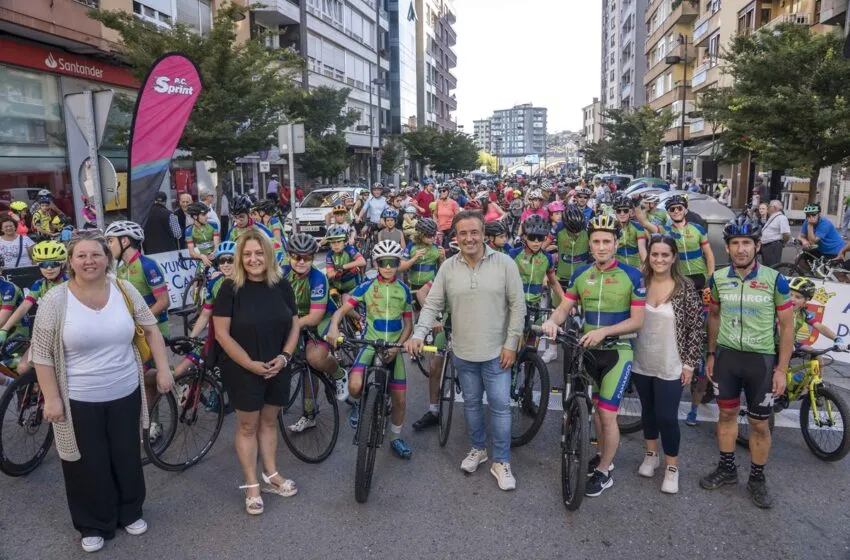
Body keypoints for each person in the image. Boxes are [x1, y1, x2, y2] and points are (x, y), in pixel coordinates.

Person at [30, 232, 173, 553]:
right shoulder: (56, 299)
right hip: (78, 399)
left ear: (107, 258)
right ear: (71, 261)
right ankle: (93, 523)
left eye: (95, 254)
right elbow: (41, 354)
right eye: (81, 256)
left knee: (126, 455)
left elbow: (151, 328)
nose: (89, 261)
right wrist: (52, 398)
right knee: (85, 463)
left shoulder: (124, 289)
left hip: (125, 391)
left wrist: (163, 369)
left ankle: (130, 511)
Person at [405, 211, 526, 491]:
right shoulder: (448, 267)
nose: (469, 238)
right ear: (455, 237)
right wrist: (419, 333)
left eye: (474, 232)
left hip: (498, 353)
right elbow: (432, 305)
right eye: (463, 233)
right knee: (471, 404)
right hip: (462, 351)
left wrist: (511, 344)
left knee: (500, 407)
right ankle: (478, 449)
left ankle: (502, 461)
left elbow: (518, 306)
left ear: (484, 234)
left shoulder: (505, 263)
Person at [542, 214, 646, 497]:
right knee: (595, 412)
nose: (601, 247)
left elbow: (637, 320)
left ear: (616, 243)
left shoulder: (632, 275)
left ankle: (604, 472)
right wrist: (553, 321)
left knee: (607, 414)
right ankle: (602, 458)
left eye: (607, 242)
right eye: (597, 241)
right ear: (589, 244)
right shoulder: (580, 275)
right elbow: (565, 307)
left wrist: (605, 332)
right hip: (587, 352)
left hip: (617, 352)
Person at [701, 215, 793, 509]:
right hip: (727, 357)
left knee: (758, 424)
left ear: (757, 246)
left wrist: (782, 370)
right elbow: (713, 316)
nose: (741, 249)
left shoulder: (774, 280)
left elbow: (787, 326)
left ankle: (757, 478)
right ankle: (727, 469)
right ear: (727, 248)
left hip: (761, 362)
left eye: (747, 243)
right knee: (726, 417)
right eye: (735, 243)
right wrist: (712, 354)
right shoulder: (717, 279)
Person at [212, 229, 301, 515]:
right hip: (242, 368)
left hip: (278, 365)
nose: (253, 259)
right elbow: (222, 335)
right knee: (248, 426)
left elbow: (295, 324)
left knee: (269, 422)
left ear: (269, 255)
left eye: (259, 253)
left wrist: (286, 357)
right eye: (247, 254)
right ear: (240, 257)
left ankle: (271, 474)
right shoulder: (229, 288)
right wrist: (250, 364)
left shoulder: (282, 285)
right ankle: (251, 483)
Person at [328, 240, 415, 459]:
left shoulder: (403, 290)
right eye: (383, 262)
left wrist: (398, 348)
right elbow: (341, 311)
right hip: (369, 344)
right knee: (355, 386)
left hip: (393, 347)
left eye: (393, 262)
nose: (388, 267)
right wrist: (333, 327)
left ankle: (395, 437)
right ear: (376, 263)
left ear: (398, 263)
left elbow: (408, 326)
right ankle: (362, 406)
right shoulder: (366, 286)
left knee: (400, 399)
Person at [631, 235, 703, 494]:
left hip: (672, 363)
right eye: (655, 254)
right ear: (648, 256)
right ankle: (651, 455)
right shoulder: (638, 282)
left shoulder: (685, 288)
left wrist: (690, 365)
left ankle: (672, 466)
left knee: (667, 416)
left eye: (665, 255)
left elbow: (696, 329)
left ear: (674, 257)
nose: (659, 259)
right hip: (641, 361)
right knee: (648, 413)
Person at [105, 221, 170, 419]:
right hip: (133, 333)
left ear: (125, 240)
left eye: (110, 241)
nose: (108, 246)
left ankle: (154, 422)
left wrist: (140, 323)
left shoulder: (147, 265)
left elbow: (163, 301)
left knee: (147, 380)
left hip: (153, 330)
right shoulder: (121, 268)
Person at [280, 233, 349, 408]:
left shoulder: (318, 278)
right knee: (306, 370)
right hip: (296, 320)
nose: (301, 261)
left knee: (314, 359)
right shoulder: (282, 273)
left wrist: (288, 325)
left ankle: (339, 374)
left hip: (322, 320)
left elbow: (315, 317)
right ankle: (309, 413)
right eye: (296, 257)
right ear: (289, 256)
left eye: (307, 257)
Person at [637, 194, 715, 290]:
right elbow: (644, 222)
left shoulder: (697, 229)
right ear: (668, 213)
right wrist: (636, 202)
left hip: (700, 275)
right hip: (678, 276)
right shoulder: (665, 230)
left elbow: (709, 254)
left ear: (685, 211)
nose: (676, 211)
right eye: (672, 209)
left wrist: (711, 277)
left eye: (679, 208)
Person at [786, 277, 844, 350]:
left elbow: (819, 326)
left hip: (791, 343)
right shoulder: (776, 308)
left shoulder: (803, 313)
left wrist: (836, 338)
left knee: (815, 355)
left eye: (798, 297)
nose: (792, 299)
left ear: (805, 301)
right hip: (772, 343)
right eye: (789, 294)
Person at [399, 218, 444, 292]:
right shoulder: (411, 246)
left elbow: (442, 270)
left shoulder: (436, 247)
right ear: (420, 234)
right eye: (429, 235)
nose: (433, 238)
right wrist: (414, 258)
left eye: (434, 234)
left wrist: (442, 259)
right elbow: (400, 268)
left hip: (432, 285)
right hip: (415, 284)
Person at [325, 225, 366, 295]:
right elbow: (329, 274)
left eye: (339, 242)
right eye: (333, 242)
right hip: (337, 287)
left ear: (344, 242)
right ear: (329, 244)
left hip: (352, 286)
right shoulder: (330, 255)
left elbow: (362, 261)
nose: (336, 245)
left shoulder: (349, 249)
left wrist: (344, 267)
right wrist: (337, 273)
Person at [611, 195, 647, 268]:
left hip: (636, 266)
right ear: (615, 212)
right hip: (617, 268)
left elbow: (642, 249)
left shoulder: (638, 227)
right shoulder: (611, 228)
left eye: (625, 210)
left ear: (630, 212)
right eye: (619, 211)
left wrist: (647, 267)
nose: (622, 214)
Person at [184, 202, 221, 269]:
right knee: (199, 278)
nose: (207, 217)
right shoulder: (189, 231)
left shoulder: (213, 224)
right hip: (202, 259)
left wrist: (215, 252)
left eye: (206, 214)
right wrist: (201, 256)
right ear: (195, 216)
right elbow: (192, 253)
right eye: (203, 215)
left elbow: (217, 244)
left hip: (216, 256)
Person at [759, 200, 791, 267]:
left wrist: (783, 243)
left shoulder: (782, 218)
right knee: (766, 267)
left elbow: (786, 234)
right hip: (767, 245)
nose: (768, 208)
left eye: (770, 206)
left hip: (773, 246)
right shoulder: (773, 216)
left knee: (772, 268)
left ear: (775, 208)